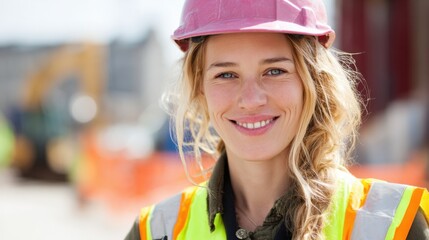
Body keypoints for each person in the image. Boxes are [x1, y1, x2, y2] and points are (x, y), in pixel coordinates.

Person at [125, 0, 429, 239]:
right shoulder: (156, 231)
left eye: (274, 71)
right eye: (226, 74)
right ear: (199, 88)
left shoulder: (392, 227)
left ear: (312, 82)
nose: (251, 99)